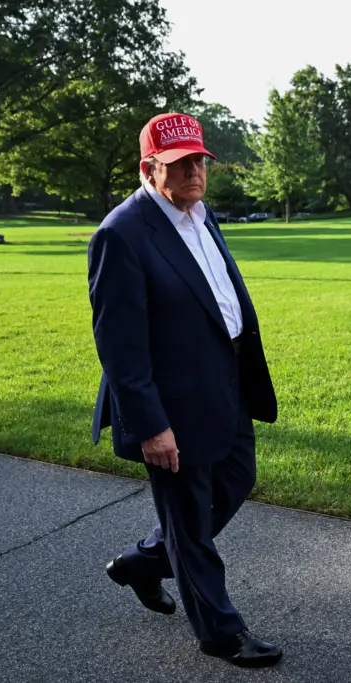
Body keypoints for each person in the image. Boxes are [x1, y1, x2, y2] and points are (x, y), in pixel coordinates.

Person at [87, 112, 281, 668]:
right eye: (179, 164)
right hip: (170, 403)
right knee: (190, 522)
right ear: (150, 169)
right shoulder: (120, 234)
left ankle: (143, 561)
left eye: (200, 160)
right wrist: (150, 424)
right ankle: (221, 633)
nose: (195, 172)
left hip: (225, 385)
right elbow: (119, 345)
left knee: (238, 479)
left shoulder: (201, 212)